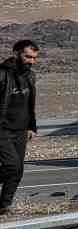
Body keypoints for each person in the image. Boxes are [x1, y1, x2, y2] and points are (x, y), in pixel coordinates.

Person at [0, 40, 39, 215]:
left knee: (18, 170)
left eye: (34, 58)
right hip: (2, 130)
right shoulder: (2, 74)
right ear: (16, 53)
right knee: (12, 166)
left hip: (21, 130)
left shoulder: (30, 76)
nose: (31, 61)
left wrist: (32, 126)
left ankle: (4, 206)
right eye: (28, 56)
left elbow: (30, 104)